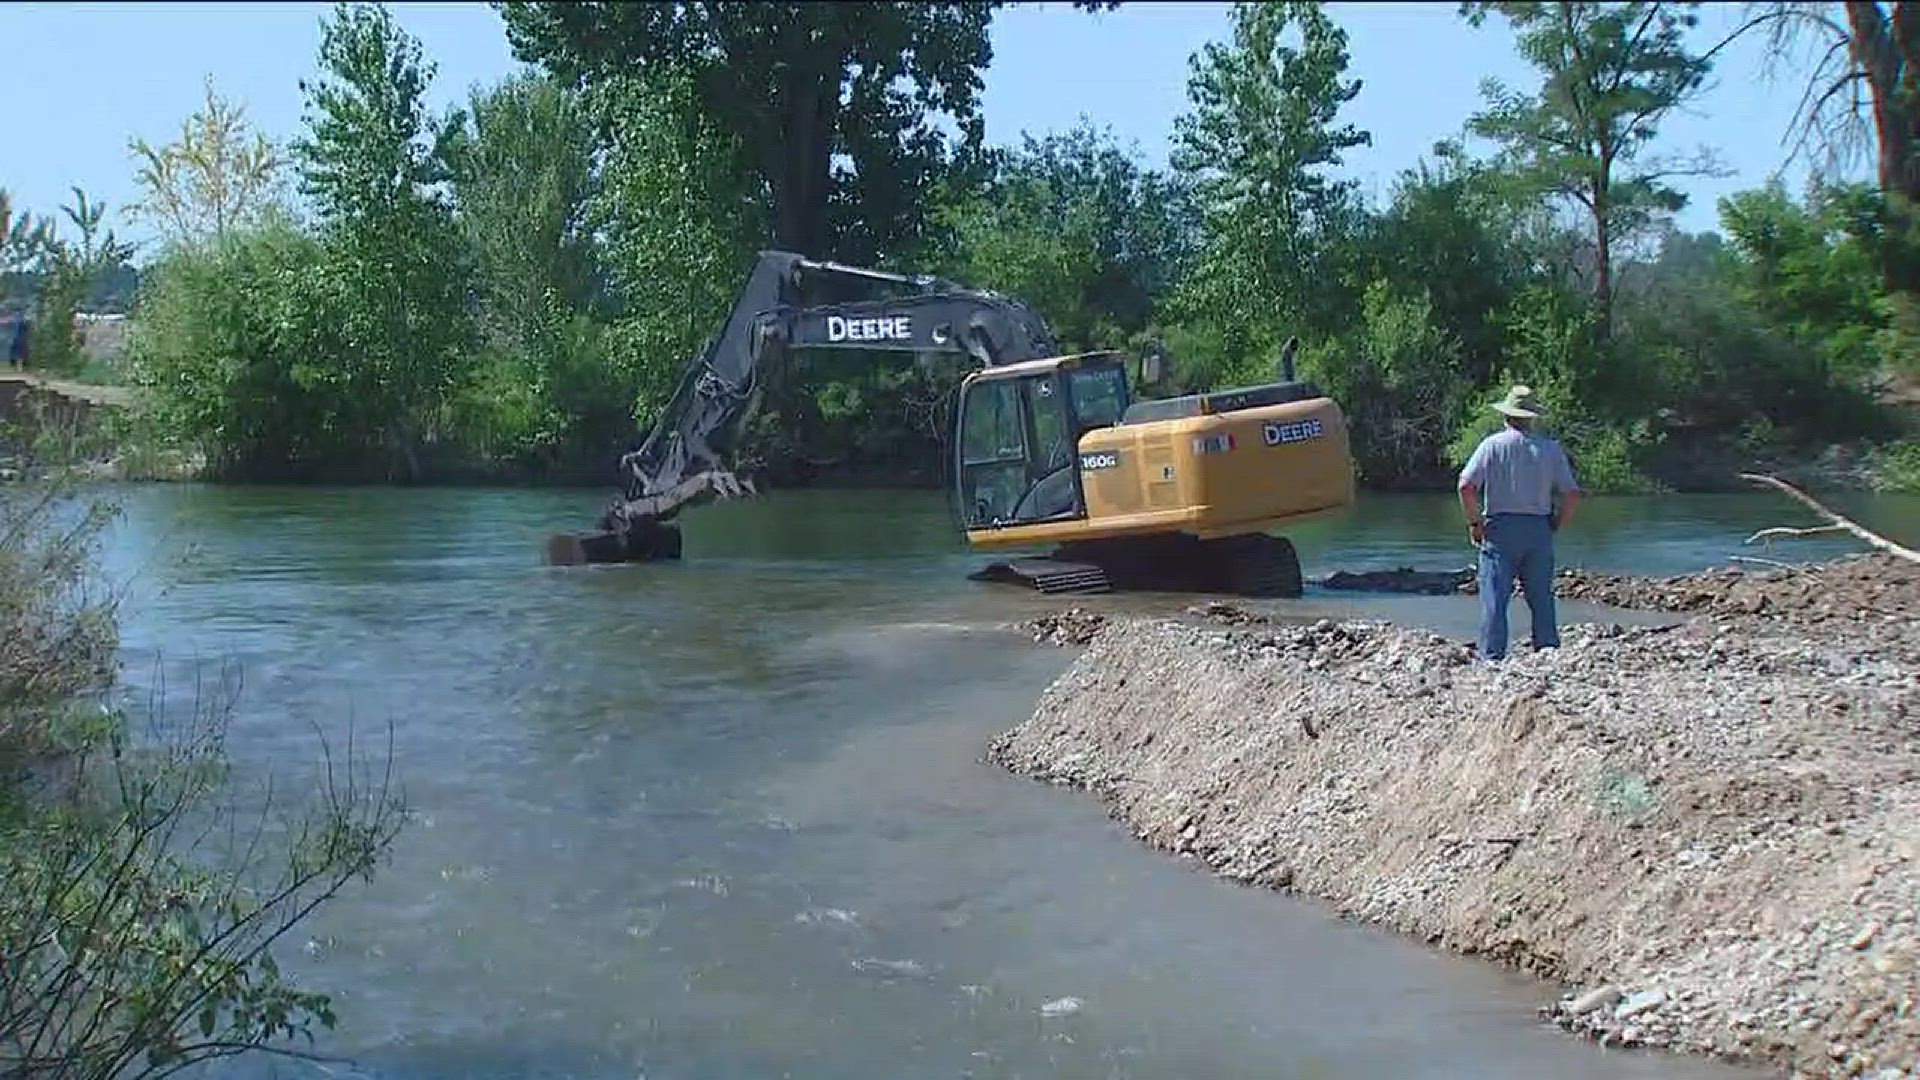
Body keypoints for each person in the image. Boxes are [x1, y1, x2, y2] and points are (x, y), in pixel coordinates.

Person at [1456, 385, 1581, 661]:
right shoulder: (1550, 449)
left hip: (1500, 527)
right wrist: (1559, 522)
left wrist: (1475, 523)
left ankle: (1492, 657)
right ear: (1532, 417)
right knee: (1541, 599)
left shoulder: (1492, 446)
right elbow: (1572, 493)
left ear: (1506, 415)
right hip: (1538, 527)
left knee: (1495, 600)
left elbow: (1466, 486)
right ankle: (1547, 653)